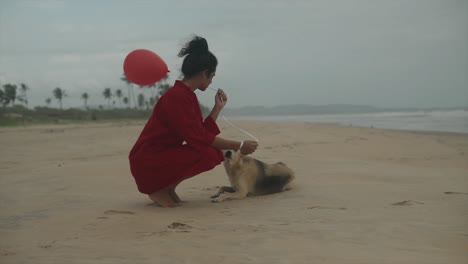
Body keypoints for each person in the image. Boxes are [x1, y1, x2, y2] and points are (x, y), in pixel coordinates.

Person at [128, 35, 259, 207]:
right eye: (212, 76)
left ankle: (168, 187)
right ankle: (158, 189)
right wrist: (239, 145)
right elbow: (198, 137)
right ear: (205, 73)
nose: (212, 81)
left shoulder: (186, 95)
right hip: (149, 160)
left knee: (210, 151)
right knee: (208, 151)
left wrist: (217, 108)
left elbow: (200, 132)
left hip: (160, 156)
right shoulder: (177, 97)